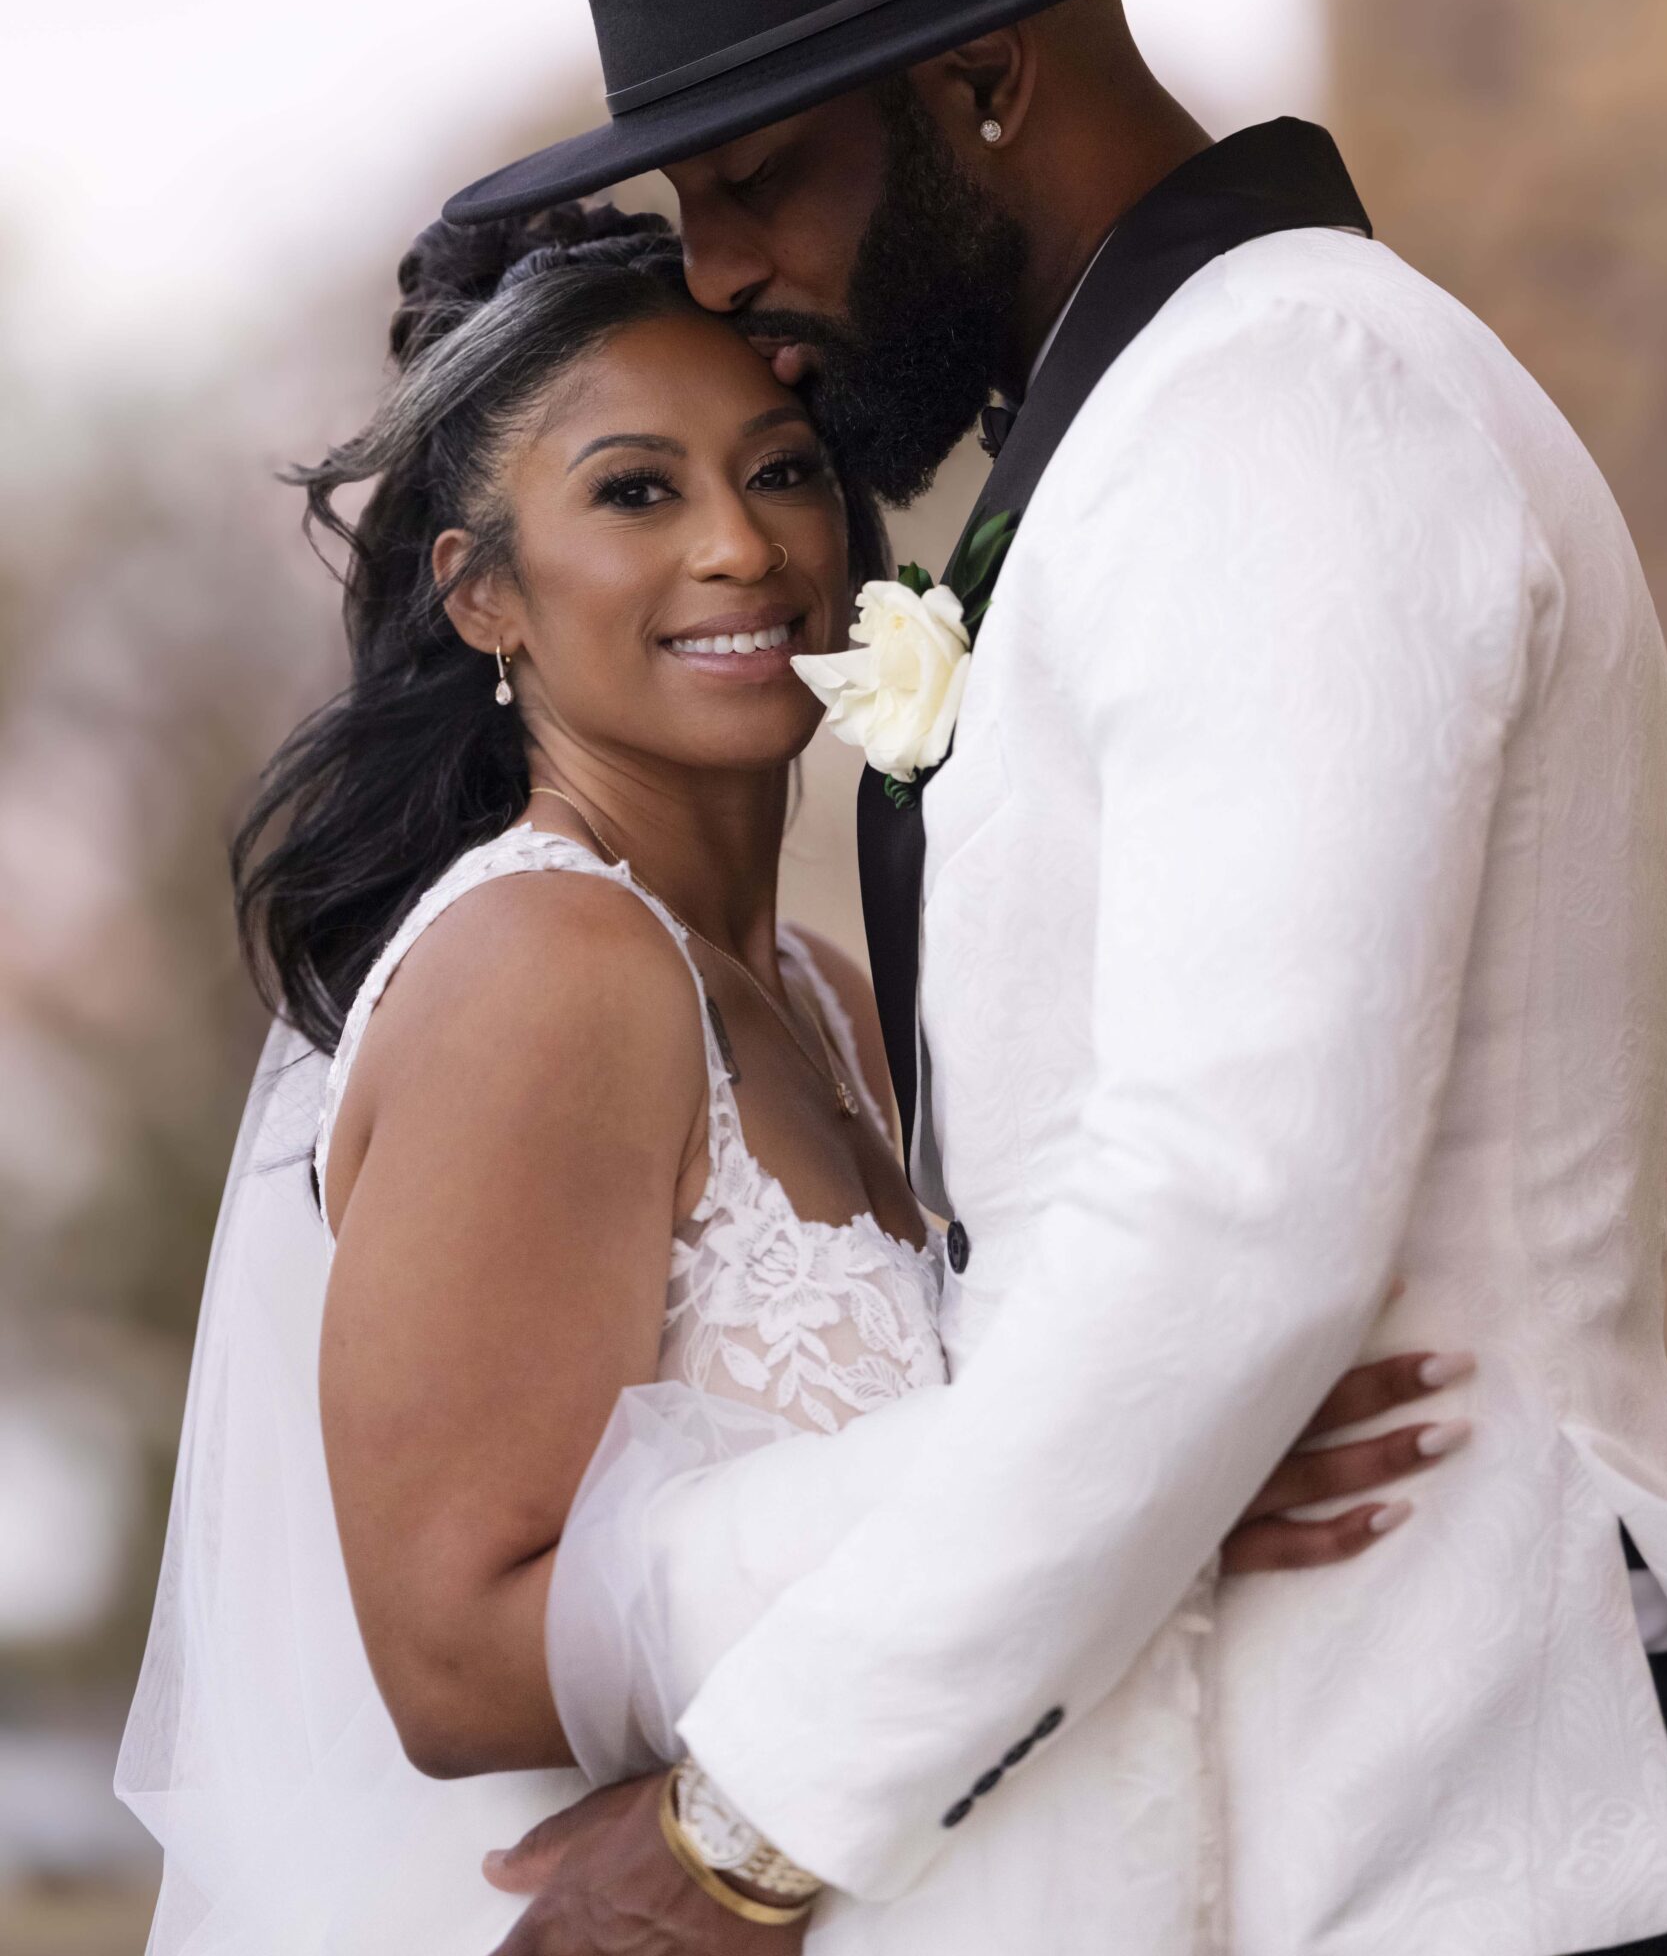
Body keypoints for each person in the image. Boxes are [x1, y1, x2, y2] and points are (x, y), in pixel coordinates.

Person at [443, 0, 1667, 1955]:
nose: (721, 273)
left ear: (985, 83)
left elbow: (1225, 1206)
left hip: (1449, 1819)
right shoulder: (1171, 418)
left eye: (755, 181)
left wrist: (749, 1825)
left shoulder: (1281, 407)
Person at [114, 201, 1449, 1955]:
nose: (745, 548)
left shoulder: (816, 989)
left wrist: (1138, 1484)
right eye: (637, 491)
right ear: (484, 593)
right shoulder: (546, 972)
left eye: (787, 470)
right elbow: (450, 1663)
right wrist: (1122, 1478)